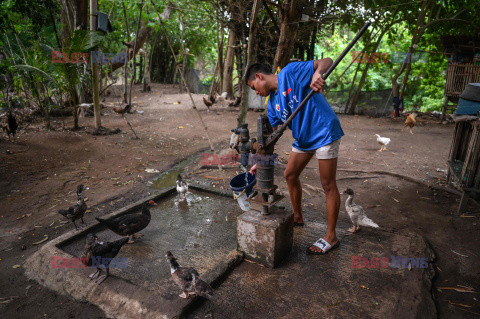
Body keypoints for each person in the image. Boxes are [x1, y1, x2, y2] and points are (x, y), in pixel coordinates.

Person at [245, 60, 344, 255]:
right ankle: (297, 217)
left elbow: (326, 62)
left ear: (259, 77)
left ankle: (331, 236)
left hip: (323, 130)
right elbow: (271, 138)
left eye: (253, 87)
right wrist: (260, 161)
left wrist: (317, 74)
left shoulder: (290, 72)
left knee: (327, 184)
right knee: (290, 175)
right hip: (303, 139)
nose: (255, 92)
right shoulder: (272, 104)